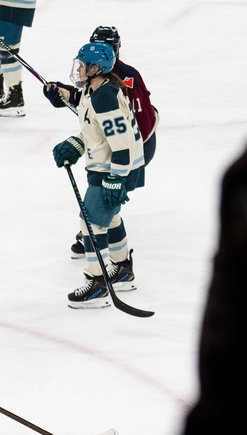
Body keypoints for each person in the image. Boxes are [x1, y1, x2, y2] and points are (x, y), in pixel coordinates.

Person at [44, 26, 160, 260]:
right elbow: (87, 103)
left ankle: (99, 258)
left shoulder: (124, 78)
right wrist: (62, 94)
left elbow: (123, 128)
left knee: (102, 205)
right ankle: (119, 263)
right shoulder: (96, 73)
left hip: (135, 147)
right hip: (116, 146)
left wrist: (118, 174)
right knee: (105, 206)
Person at [51, 42, 145, 308]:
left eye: (82, 65)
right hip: (107, 166)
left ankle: (97, 284)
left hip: (114, 169)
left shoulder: (105, 97)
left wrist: (116, 178)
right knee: (111, 216)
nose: (78, 69)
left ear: (96, 69)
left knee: (91, 222)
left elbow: (122, 141)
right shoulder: (94, 92)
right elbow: (96, 134)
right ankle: (123, 269)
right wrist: (76, 145)